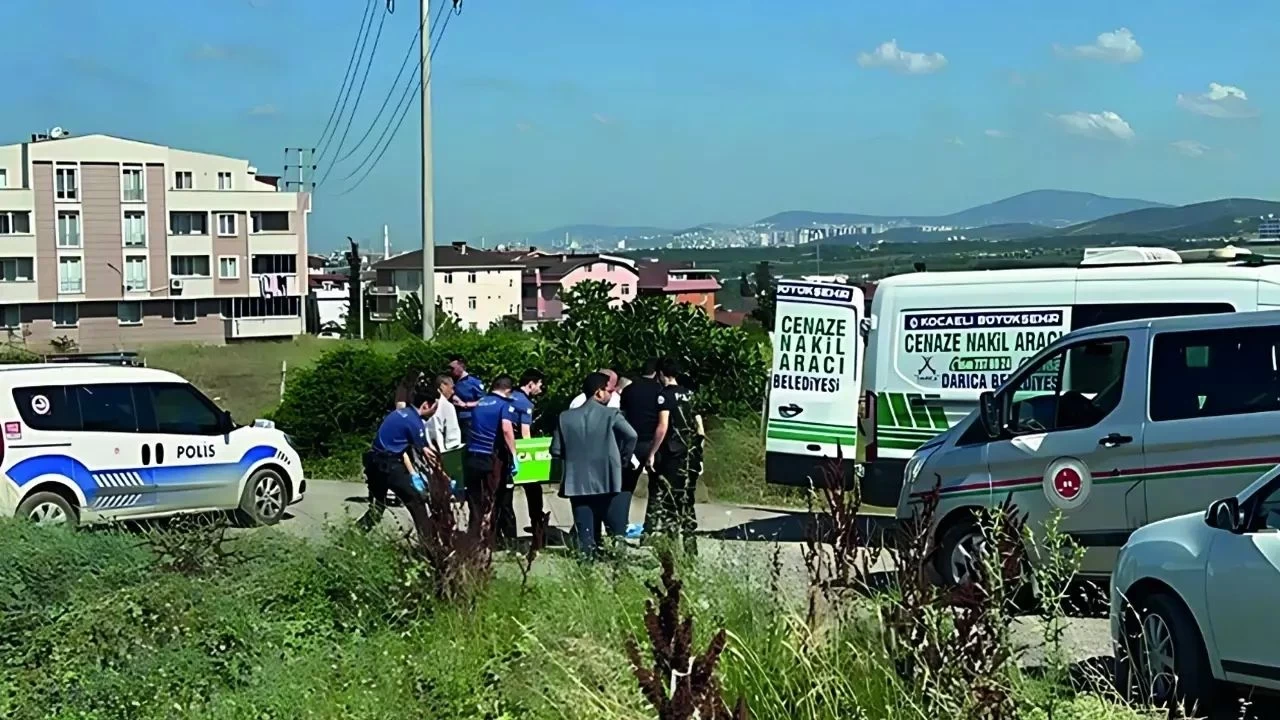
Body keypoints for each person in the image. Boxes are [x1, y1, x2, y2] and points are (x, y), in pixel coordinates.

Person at [551, 372, 638, 558]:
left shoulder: (565, 417)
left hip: (577, 482)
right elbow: (632, 435)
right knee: (615, 527)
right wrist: (623, 459)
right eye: (608, 391)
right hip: (608, 478)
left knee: (585, 531)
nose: (610, 395)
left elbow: (556, 450)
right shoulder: (612, 414)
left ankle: (587, 565)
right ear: (598, 392)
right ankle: (616, 564)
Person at [359, 384, 441, 539]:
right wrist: (446, 475)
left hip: (374, 464)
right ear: (426, 405)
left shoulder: (398, 414)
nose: (435, 412)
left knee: (377, 508)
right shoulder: (415, 423)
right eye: (435, 408)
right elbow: (427, 454)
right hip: (389, 466)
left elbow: (399, 447)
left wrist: (412, 474)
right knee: (417, 503)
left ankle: (350, 537)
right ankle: (431, 549)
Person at [645, 358, 705, 554]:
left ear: (662, 374)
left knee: (670, 498)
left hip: (673, 452)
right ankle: (690, 545)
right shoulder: (691, 395)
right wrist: (699, 454)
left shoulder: (665, 396)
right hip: (691, 453)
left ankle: (671, 544)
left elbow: (662, 427)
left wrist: (652, 452)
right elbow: (700, 430)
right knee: (687, 498)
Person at [463, 374, 520, 545]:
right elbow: (506, 430)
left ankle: (473, 539)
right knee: (494, 500)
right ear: (508, 391)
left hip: (472, 457)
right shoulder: (505, 405)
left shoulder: (479, 403)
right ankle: (492, 540)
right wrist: (514, 456)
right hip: (490, 458)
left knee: (475, 502)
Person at [620, 358, 663, 521]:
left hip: (632, 443)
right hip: (654, 443)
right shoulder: (661, 390)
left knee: (626, 487)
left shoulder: (629, 390)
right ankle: (649, 528)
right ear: (657, 373)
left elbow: (623, 415)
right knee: (655, 487)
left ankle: (619, 527)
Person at [511, 369, 546, 533]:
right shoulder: (525, 404)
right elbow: (525, 434)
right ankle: (537, 524)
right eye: (540, 384)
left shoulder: (510, 397)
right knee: (534, 491)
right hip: (519, 451)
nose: (541, 387)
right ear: (531, 384)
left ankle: (505, 532)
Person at [448, 355, 486, 443]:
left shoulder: (473, 382)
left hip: (468, 419)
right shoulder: (451, 381)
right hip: (454, 419)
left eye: (452, 368)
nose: (450, 371)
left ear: (461, 365)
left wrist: (465, 404)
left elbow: (484, 400)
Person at [426, 374, 463, 453]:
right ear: (443, 386)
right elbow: (452, 436)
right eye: (452, 388)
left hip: (424, 451)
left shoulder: (424, 405)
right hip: (441, 452)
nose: (453, 392)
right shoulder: (447, 406)